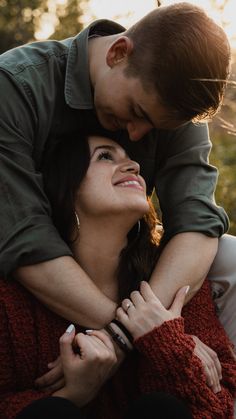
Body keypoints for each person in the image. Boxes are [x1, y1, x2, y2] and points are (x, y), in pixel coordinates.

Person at [0, 2, 233, 340]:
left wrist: (129, 336)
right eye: (136, 111)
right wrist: (139, 336)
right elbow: (23, 237)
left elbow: (196, 219)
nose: (137, 135)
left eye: (153, 126)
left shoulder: (175, 104)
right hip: (28, 263)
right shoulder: (15, 87)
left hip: (124, 272)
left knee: (232, 259)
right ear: (118, 53)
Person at [0, 133, 235, 419]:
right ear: (67, 188)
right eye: (105, 156)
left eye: (130, 158)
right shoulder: (14, 301)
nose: (134, 166)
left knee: (161, 410)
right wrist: (73, 395)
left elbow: (221, 407)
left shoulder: (173, 282)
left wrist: (167, 344)